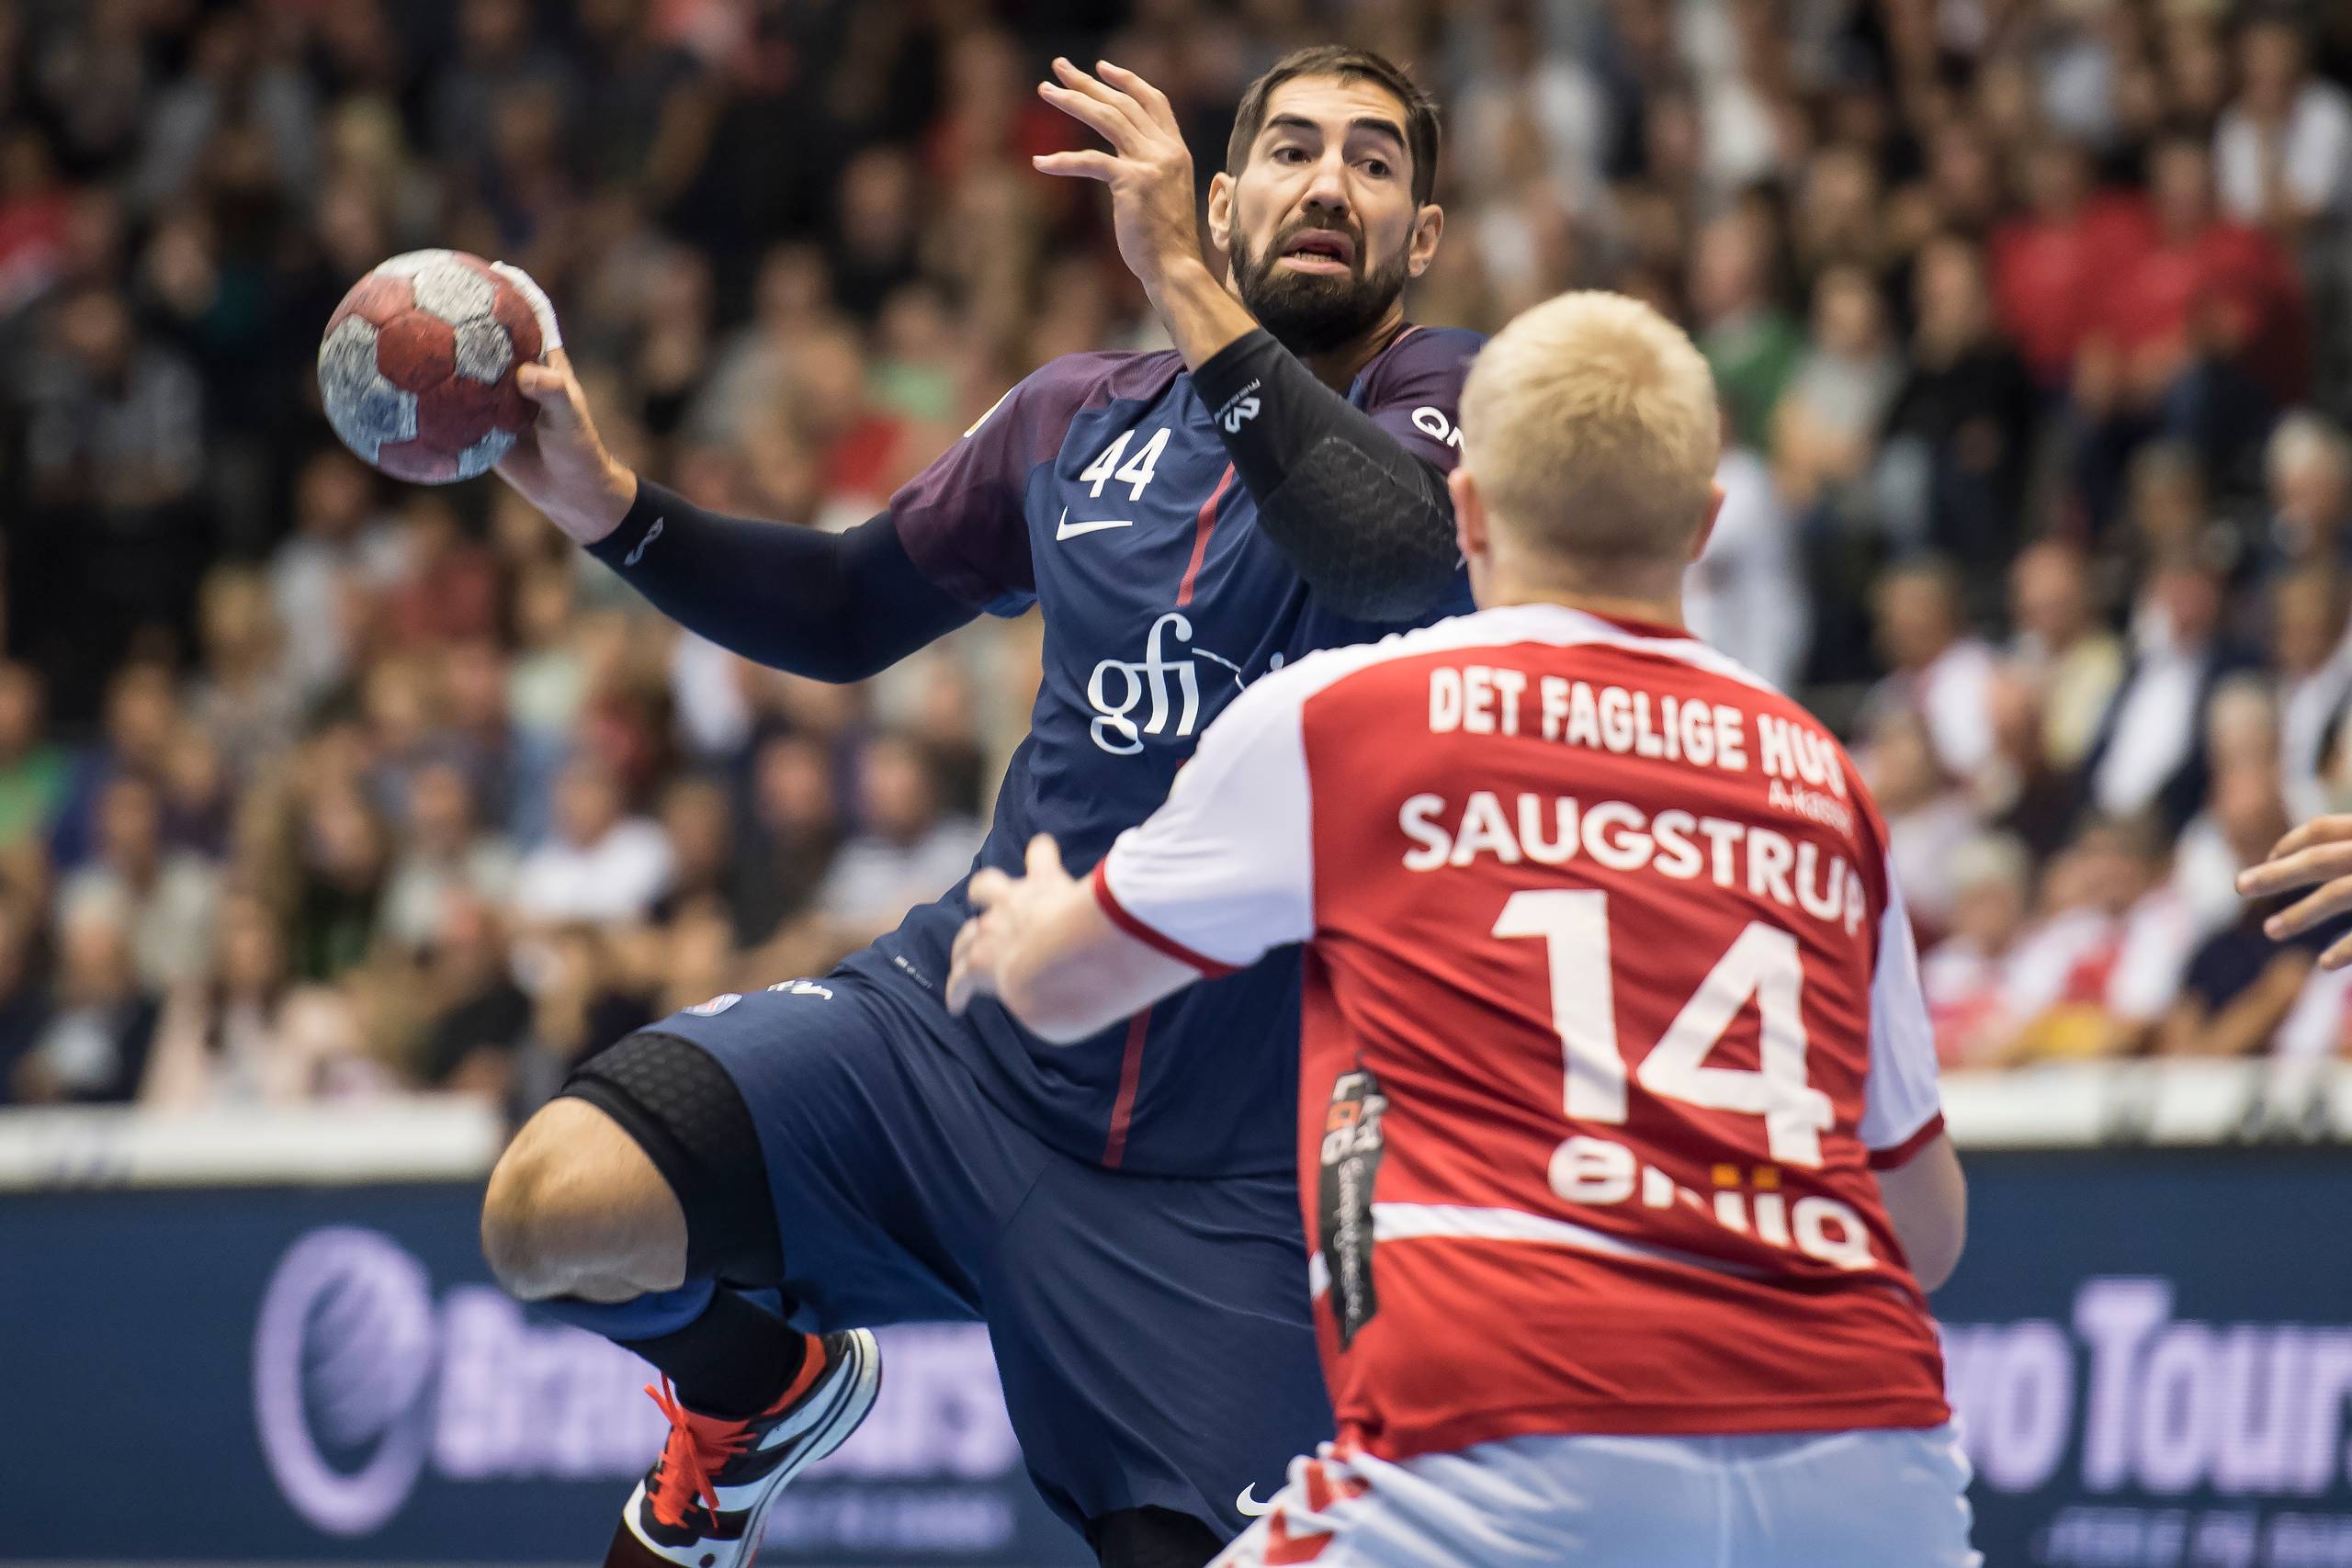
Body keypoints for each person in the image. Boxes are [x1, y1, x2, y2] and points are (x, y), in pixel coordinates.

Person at [476, 46, 1480, 1568]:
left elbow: (1390, 558)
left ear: (1422, 237)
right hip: (960, 1055)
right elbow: (840, 606)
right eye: (1287, 150)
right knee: (553, 1209)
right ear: (1225, 196)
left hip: (1230, 1177)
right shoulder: (1073, 417)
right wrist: (612, 510)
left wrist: (1189, 292)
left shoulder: (1461, 402)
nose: (1328, 182)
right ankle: (753, 1402)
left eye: (1372, 161)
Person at [945, 291, 1974, 1567]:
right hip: (1872, 1459)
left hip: (1507, 1436)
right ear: (1705, 528)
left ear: (1468, 507)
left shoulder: (1354, 716)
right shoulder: (1823, 778)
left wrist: (1025, 925)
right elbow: (1924, 1232)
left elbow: (1058, 995)